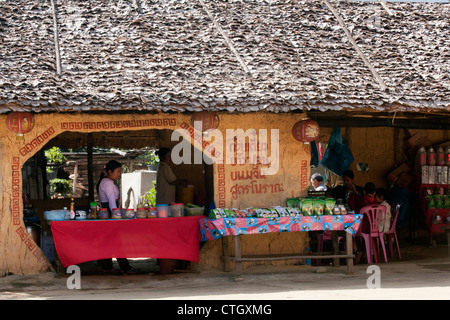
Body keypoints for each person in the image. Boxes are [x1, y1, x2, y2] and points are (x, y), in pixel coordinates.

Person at [97, 160, 137, 274]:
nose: (119, 174)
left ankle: (107, 267)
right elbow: (111, 202)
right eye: (118, 171)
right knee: (117, 241)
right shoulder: (107, 183)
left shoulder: (107, 182)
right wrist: (116, 216)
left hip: (108, 213)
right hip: (110, 213)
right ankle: (125, 267)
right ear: (109, 171)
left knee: (108, 241)